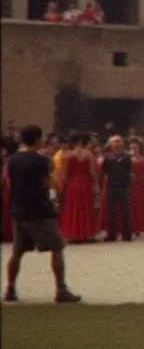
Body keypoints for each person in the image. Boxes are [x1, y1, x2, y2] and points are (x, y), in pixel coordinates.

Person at [4, 125, 81, 303]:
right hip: (40, 211)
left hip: (20, 211)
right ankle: (61, 289)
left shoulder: (12, 160)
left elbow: (9, 183)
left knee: (17, 252)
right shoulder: (41, 161)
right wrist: (54, 201)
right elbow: (47, 184)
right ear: (38, 140)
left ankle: (10, 288)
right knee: (57, 247)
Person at [101, 135, 134, 242]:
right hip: (111, 187)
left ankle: (127, 234)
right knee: (111, 211)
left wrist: (130, 186)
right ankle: (111, 234)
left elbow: (131, 172)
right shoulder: (107, 157)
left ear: (122, 143)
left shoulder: (127, 156)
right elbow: (104, 172)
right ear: (110, 144)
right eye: (114, 142)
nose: (116, 144)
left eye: (118, 141)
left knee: (125, 210)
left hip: (124, 187)